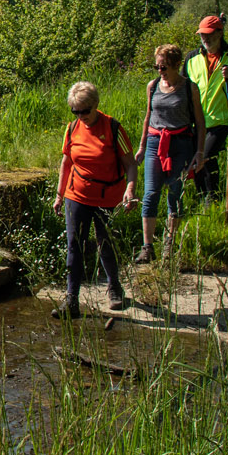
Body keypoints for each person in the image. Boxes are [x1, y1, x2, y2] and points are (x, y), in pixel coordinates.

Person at [51, 81, 134, 318]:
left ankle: (114, 286)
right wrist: (59, 195)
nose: (81, 116)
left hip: (107, 197)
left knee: (105, 242)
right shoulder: (72, 129)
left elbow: (130, 164)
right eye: (75, 111)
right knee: (74, 245)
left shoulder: (113, 128)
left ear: (96, 104)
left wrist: (130, 189)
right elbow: (66, 162)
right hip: (76, 194)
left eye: (85, 111)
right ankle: (71, 301)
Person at [129, 44, 205, 263]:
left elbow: (200, 122)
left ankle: (169, 245)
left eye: (163, 67)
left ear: (175, 65)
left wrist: (199, 152)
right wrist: (142, 147)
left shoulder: (189, 88)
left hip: (181, 143)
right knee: (151, 193)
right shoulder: (153, 86)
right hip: (155, 142)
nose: (160, 71)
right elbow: (148, 116)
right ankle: (147, 247)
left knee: (175, 192)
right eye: (157, 67)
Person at [184, 15, 228, 202]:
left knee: (206, 156)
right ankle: (203, 198)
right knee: (197, 159)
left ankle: (212, 199)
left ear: (220, 33)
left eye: (209, 34)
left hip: (220, 119)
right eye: (202, 35)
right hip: (196, 120)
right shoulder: (191, 58)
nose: (205, 39)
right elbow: (181, 87)